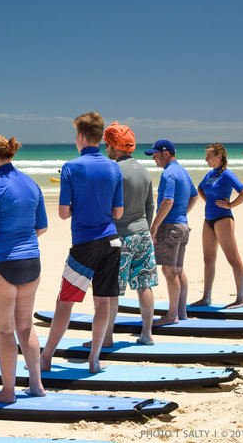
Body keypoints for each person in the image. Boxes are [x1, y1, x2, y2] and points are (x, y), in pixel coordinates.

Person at [40, 111, 123, 374]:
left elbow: (63, 213)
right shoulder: (114, 167)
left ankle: (46, 357)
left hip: (85, 244)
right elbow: (118, 212)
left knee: (65, 302)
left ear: (80, 137)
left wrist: (81, 207)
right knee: (102, 302)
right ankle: (94, 360)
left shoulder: (71, 167)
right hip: (111, 242)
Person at [0, 135, 48, 403]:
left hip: (1, 264)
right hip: (31, 263)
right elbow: (41, 227)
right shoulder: (32, 184)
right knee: (25, 326)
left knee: (3, 331)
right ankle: (36, 385)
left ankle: (7, 391)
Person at [102, 122, 158, 345]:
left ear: (114, 146)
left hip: (121, 236)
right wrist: (145, 228)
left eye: (107, 145)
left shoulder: (114, 170)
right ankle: (147, 334)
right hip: (142, 233)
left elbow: (107, 206)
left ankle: (107, 337)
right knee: (144, 284)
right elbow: (150, 205)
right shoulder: (144, 170)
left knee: (112, 289)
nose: (106, 149)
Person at [145, 140, 198, 325]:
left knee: (169, 271)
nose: (154, 159)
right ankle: (181, 313)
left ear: (166, 154)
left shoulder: (168, 173)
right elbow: (194, 196)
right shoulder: (182, 171)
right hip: (182, 226)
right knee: (178, 270)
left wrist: (154, 226)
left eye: (155, 155)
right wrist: (182, 214)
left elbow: (168, 201)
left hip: (170, 227)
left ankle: (172, 315)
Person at [191, 143, 243, 309]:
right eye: (205, 156)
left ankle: (241, 298)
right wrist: (209, 202)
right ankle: (206, 297)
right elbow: (200, 188)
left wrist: (230, 205)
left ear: (219, 156)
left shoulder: (227, 174)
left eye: (209, 156)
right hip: (208, 219)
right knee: (208, 259)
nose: (206, 159)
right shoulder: (210, 174)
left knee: (233, 259)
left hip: (223, 219)